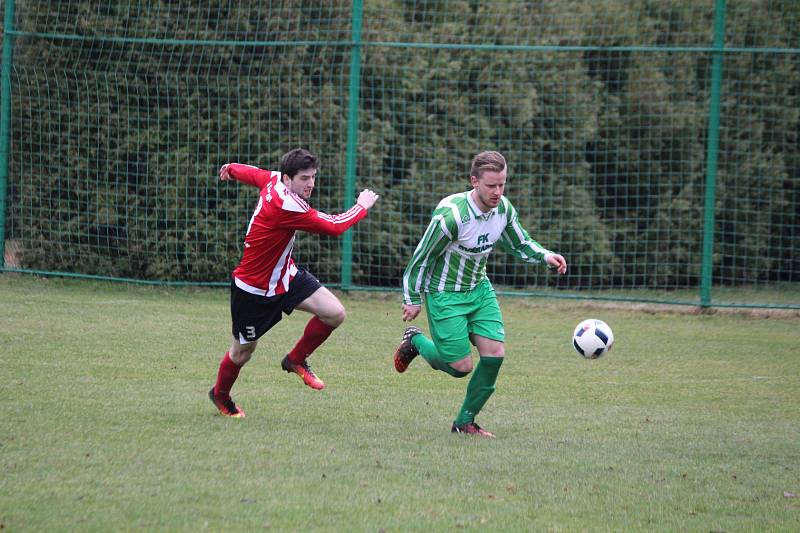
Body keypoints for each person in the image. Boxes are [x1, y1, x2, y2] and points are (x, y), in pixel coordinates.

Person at [394, 150, 567, 437]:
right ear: (474, 181)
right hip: (445, 294)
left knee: (494, 355)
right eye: (491, 185)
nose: (498, 192)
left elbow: (520, 242)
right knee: (460, 367)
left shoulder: (503, 209)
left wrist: (546, 256)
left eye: (502, 184)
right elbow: (421, 257)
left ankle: (465, 422)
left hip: (479, 289)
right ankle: (415, 341)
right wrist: (412, 298)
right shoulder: (451, 218)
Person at [209, 148, 379, 418]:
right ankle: (220, 395)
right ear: (288, 180)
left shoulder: (276, 179)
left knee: (334, 313)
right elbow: (334, 226)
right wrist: (361, 206)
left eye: (312, 177)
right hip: (253, 290)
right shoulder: (286, 205)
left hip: (285, 276)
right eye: (304, 178)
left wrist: (231, 168)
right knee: (242, 353)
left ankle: (295, 359)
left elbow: (255, 174)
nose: (310, 183)